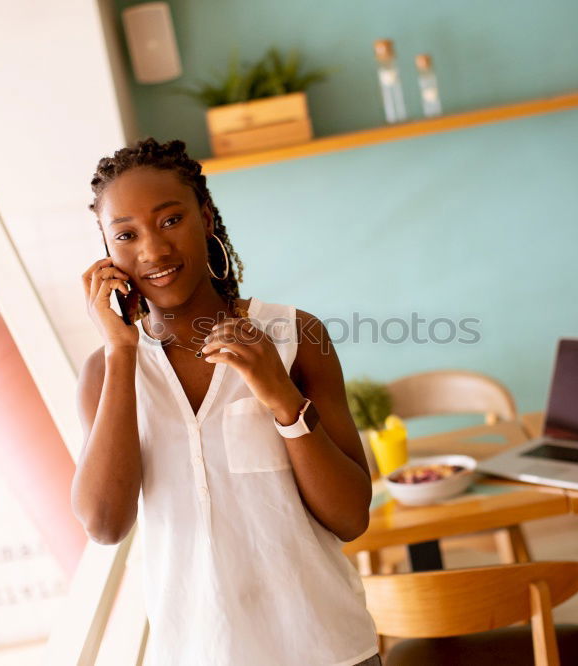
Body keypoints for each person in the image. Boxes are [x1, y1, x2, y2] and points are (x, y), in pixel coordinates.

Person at [71, 138, 382, 665]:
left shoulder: (295, 335)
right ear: (107, 252)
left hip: (328, 650)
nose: (153, 250)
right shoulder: (106, 372)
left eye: (170, 221)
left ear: (206, 217)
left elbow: (351, 517)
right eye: (126, 234)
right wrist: (122, 350)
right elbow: (104, 523)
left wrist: (283, 400)